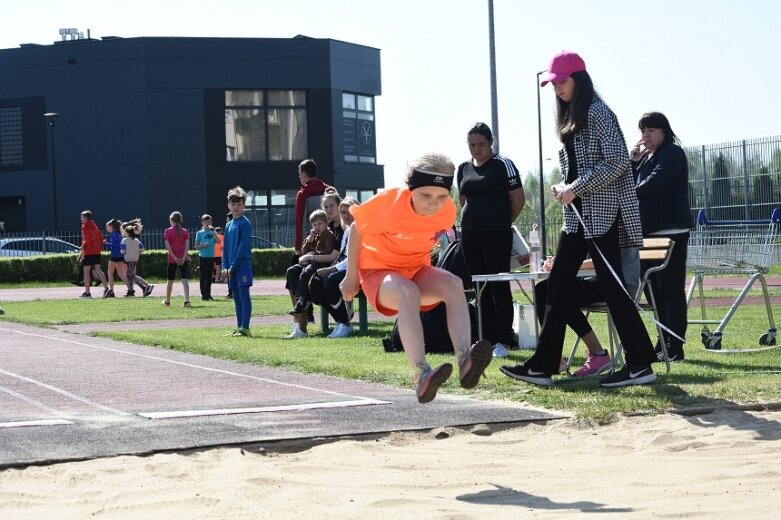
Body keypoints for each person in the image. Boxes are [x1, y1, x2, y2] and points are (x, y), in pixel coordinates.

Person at [500, 50, 657, 388]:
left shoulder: (599, 112)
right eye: (553, 83)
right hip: (579, 218)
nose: (557, 88)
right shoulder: (574, 116)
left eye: (562, 81)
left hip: (601, 217)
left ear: (579, 79)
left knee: (613, 291)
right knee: (555, 287)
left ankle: (640, 363)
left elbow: (617, 162)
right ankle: (544, 365)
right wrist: (567, 188)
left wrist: (575, 187)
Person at [340, 152, 493, 404]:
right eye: (426, 195)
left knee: (453, 284)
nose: (434, 203)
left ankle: (466, 361)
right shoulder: (389, 203)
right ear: (411, 188)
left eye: (441, 196)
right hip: (378, 273)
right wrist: (350, 276)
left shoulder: (447, 212)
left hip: (414, 269)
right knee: (407, 292)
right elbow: (356, 229)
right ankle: (422, 375)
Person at [457, 123, 525, 358]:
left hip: (497, 235)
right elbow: (463, 199)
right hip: (470, 236)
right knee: (479, 287)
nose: (476, 149)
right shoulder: (463, 168)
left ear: (490, 143)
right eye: (472, 145)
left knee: (498, 285)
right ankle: (483, 339)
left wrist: (501, 222)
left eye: (481, 145)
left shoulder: (502, 165)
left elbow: (518, 199)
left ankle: (503, 341)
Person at [631, 112, 691, 362]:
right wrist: (633, 162)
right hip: (648, 234)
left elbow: (654, 185)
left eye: (651, 131)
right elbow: (637, 183)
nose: (646, 136)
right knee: (652, 289)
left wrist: (626, 194)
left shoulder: (673, 153)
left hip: (671, 233)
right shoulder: (645, 158)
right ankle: (662, 343)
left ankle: (675, 346)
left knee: (669, 288)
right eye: (643, 132)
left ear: (664, 131)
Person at [534, 247, 641, 376]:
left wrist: (563, 263)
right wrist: (559, 260)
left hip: (619, 282)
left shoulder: (609, 227)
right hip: (592, 278)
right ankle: (553, 355)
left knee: (560, 293)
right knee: (542, 289)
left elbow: (605, 259)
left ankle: (598, 354)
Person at [285, 209, 338, 337]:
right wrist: (309, 238)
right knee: (291, 271)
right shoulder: (316, 235)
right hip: (312, 261)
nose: (317, 227)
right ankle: (301, 299)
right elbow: (304, 251)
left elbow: (327, 252)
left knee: (305, 272)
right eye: (314, 225)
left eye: (319, 224)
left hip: (322, 263)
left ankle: (303, 300)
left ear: (326, 223)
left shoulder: (329, 235)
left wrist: (313, 255)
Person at [316, 196, 360, 339]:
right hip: (345, 267)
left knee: (330, 281)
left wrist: (331, 269)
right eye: (342, 212)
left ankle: (345, 324)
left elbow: (352, 259)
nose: (345, 215)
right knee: (315, 283)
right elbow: (341, 255)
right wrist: (330, 267)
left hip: (359, 270)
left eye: (349, 212)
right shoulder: (347, 231)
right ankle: (341, 322)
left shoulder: (361, 229)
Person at [222, 186, 254, 337]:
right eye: (233, 204)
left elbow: (242, 248)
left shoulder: (245, 223)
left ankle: (245, 327)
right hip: (231, 268)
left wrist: (233, 267)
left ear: (244, 205)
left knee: (244, 295)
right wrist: (225, 267)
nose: (236, 207)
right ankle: (239, 326)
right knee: (235, 297)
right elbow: (225, 248)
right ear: (228, 205)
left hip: (242, 266)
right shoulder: (228, 225)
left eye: (239, 204)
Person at [293, 159, 331, 254]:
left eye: (300, 174)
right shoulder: (328, 190)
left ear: (304, 174)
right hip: (329, 239)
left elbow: (299, 222)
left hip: (310, 241)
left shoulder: (302, 194)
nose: (299, 177)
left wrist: (298, 247)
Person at [77, 210, 109, 299]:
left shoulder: (84, 227)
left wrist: (82, 246)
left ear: (86, 218)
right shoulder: (95, 227)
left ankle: (87, 293)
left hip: (89, 252)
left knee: (86, 271)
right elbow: (100, 238)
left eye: (82, 217)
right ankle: (107, 289)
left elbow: (87, 240)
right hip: (96, 252)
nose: (81, 219)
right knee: (98, 270)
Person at [162, 211, 191, 307]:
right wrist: (183, 257)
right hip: (183, 259)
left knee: (170, 280)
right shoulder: (185, 231)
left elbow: (168, 246)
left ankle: (167, 301)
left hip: (172, 259)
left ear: (171, 220)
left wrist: (174, 257)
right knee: (184, 279)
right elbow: (187, 246)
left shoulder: (168, 231)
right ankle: (187, 301)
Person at [120, 218, 154, 297]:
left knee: (129, 275)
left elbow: (122, 251)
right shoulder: (137, 240)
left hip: (128, 259)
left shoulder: (124, 240)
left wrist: (126, 252)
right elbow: (142, 249)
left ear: (127, 232)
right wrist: (136, 251)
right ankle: (131, 291)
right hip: (135, 259)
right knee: (130, 275)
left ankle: (143, 288)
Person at [194, 214, 217, 301]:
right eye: (205, 221)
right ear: (202, 223)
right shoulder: (199, 233)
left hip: (211, 257)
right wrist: (203, 245)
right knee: (203, 277)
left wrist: (214, 233)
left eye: (209, 221)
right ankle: (203, 295)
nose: (207, 223)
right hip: (203, 257)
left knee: (209, 277)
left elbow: (218, 241)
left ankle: (208, 294)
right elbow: (195, 246)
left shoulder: (212, 232)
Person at [103, 218, 128, 298]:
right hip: (120, 256)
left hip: (114, 256)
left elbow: (116, 245)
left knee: (109, 273)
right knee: (121, 274)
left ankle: (111, 291)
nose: (106, 228)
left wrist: (107, 243)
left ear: (112, 227)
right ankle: (130, 289)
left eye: (107, 227)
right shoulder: (119, 234)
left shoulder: (113, 234)